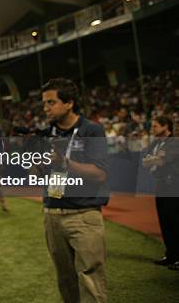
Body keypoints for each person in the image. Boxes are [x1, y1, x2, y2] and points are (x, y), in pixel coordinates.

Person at [40, 78, 109, 302]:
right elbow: (40, 174)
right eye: (44, 103)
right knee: (65, 280)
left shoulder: (91, 130)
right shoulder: (45, 132)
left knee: (90, 279)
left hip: (83, 214)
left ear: (69, 103)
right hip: (52, 214)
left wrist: (64, 162)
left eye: (51, 102)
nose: (46, 108)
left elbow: (100, 174)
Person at [142, 115, 179, 271]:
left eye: (156, 126)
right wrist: (154, 159)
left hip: (174, 186)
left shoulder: (175, 142)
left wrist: (155, 160)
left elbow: (162, 160)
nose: (153, 129)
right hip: (162, 185)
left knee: (176, 222)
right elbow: (146, 161)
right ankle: (170, 255)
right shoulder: (156, 143)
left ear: (165, 126)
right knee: (165, 221)